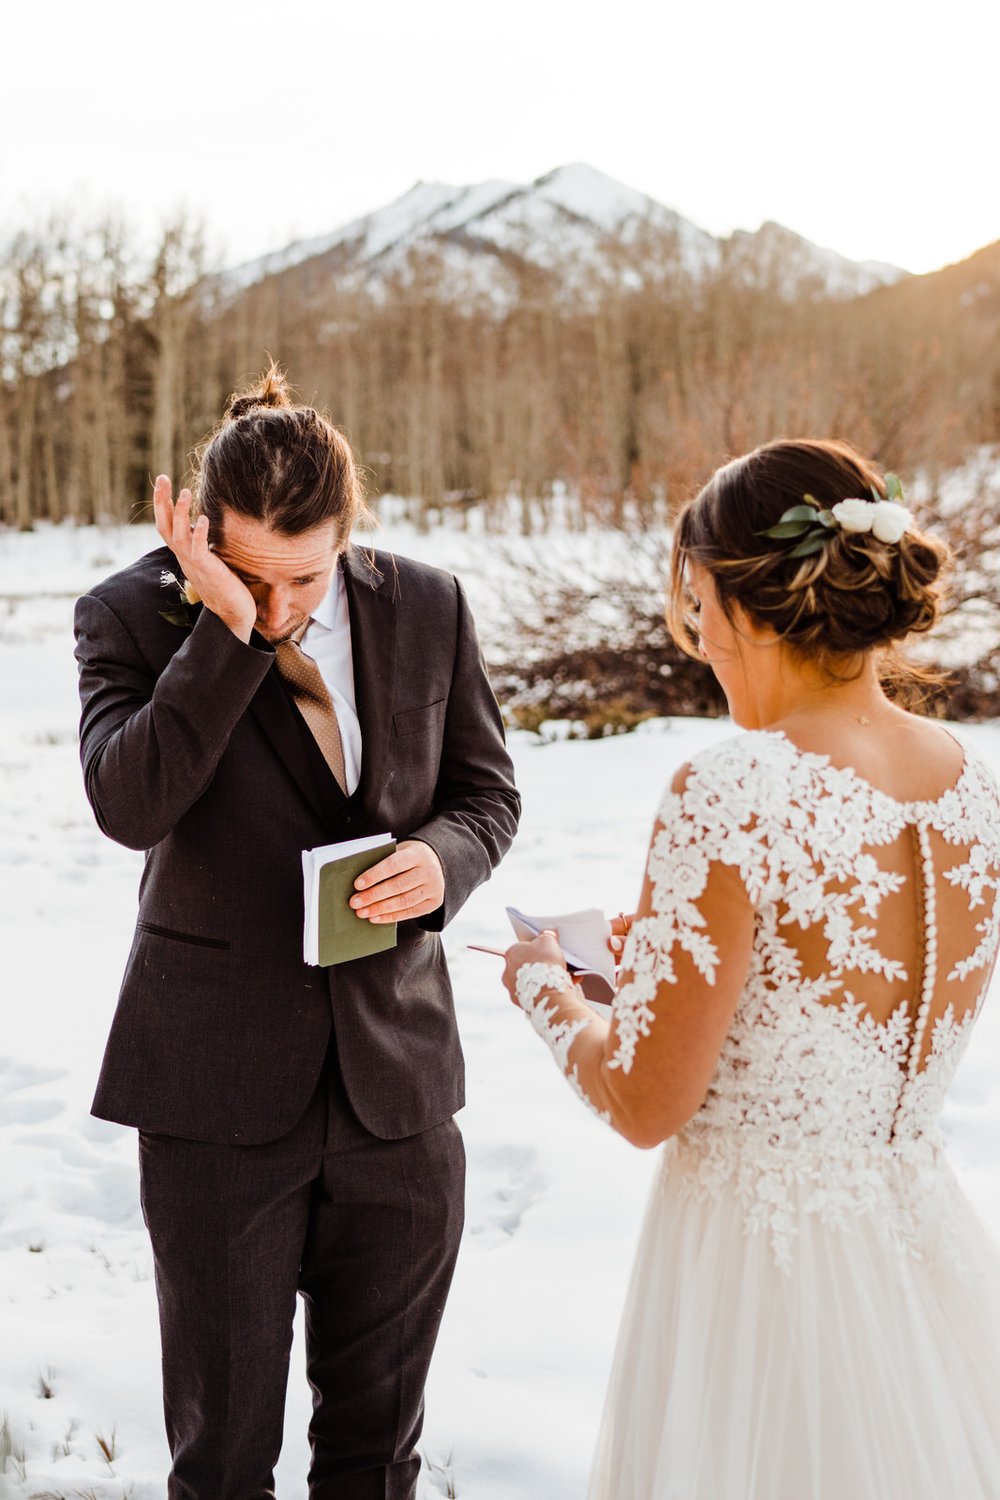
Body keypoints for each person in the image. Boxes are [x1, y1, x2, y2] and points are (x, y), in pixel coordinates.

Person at [503, 438, 1000, 1500]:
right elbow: (852, 999)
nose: (700, 648)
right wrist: (678, 964)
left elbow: (643, 1101)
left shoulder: (732, 791)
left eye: (697, 608)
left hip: (759, 1276)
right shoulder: (972, 784)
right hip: (915, 1248)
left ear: (738, 604)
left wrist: (546, 988)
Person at [74, 366, 520, 1500]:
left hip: (400, 1093)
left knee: (376, 1457)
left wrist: (441, 862)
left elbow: (485, 795)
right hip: (214, 1099)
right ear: (198, 531)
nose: (279, 608)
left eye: (302, 580)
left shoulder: (429, 605)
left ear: (349, 534)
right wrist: (222, 633)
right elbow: (130, 807)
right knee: (222, 1459)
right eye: (246, 574)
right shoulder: (126, 616)